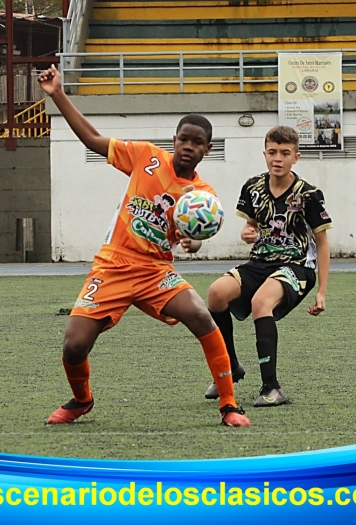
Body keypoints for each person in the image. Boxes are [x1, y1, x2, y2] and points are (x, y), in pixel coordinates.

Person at [37, 65, 250, 427]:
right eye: (184, 138)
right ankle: (81, 399)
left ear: (206, 150)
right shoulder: (145, 157)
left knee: (201, 315)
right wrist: (58, 94)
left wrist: (191, 240)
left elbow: (195, 241)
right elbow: (92, 139)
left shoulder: (202, 195)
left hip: (156, 270)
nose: (189, 146)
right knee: (74, 345)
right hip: (114, 264)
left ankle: (229, 404)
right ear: (175, 139)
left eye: (197, 142)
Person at [205, 126, 332, 407]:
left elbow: (322, 243)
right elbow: (251, 226)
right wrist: (247, 233)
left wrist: (321, 292)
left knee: (261, 302)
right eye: (273, 152)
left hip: (296, 266)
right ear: (265, 154)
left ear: (295, 157)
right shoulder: (253, 187)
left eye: (285, 153)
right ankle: (230, 368)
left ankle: (272, 388)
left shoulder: (309, 194)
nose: (278, 158)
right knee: (215, 294)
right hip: (260, 263)